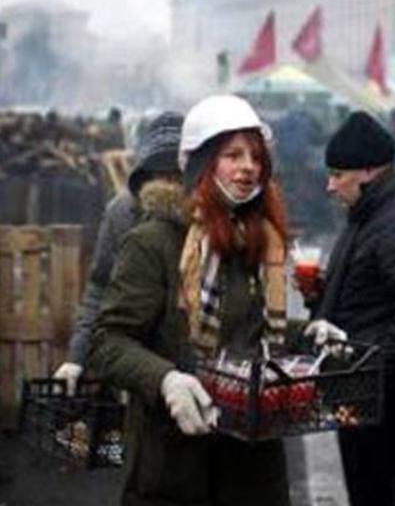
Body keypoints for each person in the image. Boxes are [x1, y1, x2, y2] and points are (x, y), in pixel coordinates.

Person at [88, 94, 306, 506]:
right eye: (233, 155)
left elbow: (248, 329)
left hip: (251, 463)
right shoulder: (153, 242)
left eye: (256, 157)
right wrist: (165, 379)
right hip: (176, 461)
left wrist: (309, 332)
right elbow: (108, 341)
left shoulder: (256, 239)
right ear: (204, 164)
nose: (248, 167)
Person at [299, 111, 395, 506]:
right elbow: (366, 292)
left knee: (376, 488)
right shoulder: (370, 211)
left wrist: (375, 373)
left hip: (381, 390)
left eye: (337, 175)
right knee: (364, 486)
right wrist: (322, 296)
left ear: (367, 171)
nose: (330, 186)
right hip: (359, 382)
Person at [54, 111, 184, 395]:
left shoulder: (207, 214)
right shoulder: (122, 212)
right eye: (161, 173)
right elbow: (100, 287)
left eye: (176, 173)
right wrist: (76, 358)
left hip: (189, 364)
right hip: (132, 361)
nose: (169, 183)